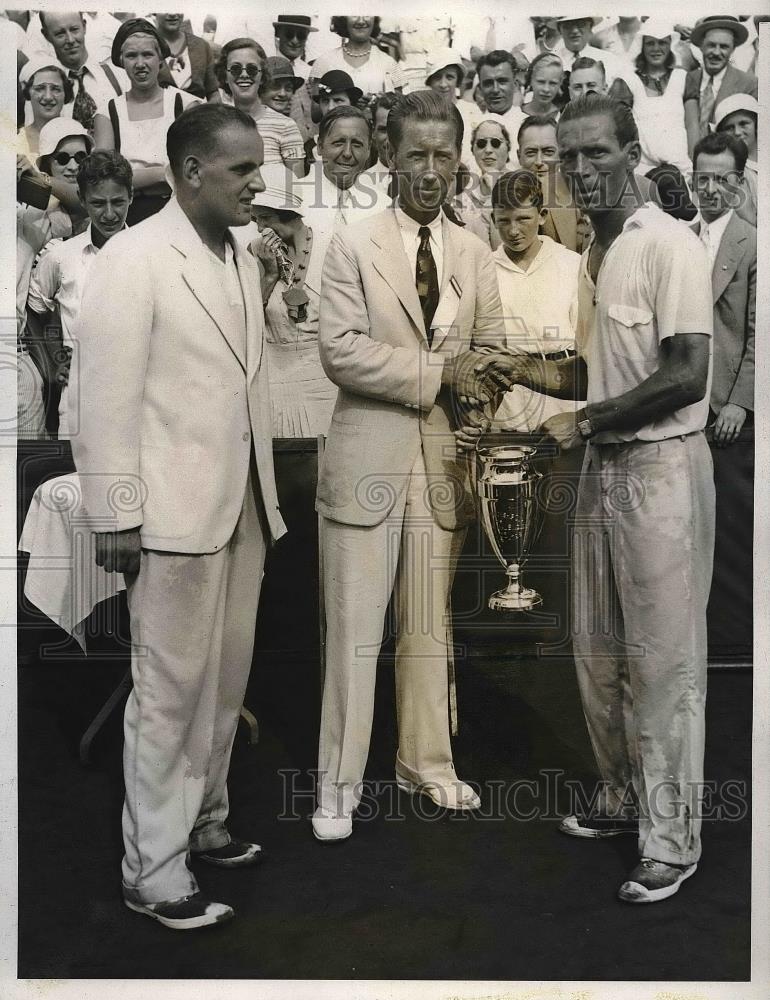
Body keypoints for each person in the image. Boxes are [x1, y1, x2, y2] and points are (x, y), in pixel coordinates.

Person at [480, 93, 715, 904]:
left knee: (663, 662)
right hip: (603, 470)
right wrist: (523, 371)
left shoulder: (669, 244)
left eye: (594, 154)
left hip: (660, 470)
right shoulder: (594, 251)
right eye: (564, 157)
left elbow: (687, 374)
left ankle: (671, 838)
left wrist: (584, 422)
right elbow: (592, 372)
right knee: (598, 651)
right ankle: (620, 799)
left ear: (632, 150)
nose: (578, 171)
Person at [70, 103, 285, 930]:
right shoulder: (131, 259)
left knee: (223, 686)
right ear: (192, 172)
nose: (257, 183)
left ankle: (205, 822)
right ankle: (152, 870)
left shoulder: (241, 256)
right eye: (242, 170)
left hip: (242, 508)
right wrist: (117, 515)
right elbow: (103, 401)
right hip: (168, 517)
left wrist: (264, 493)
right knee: (166, 694)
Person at [312, 90, 506, 842]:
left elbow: (489, 352)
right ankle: (336, 784)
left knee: (428, 625)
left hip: (440, 462)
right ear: (389, 159)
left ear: (461, 162)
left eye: (444, 156)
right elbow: (341, 351)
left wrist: (474, 396)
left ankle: (427, 762)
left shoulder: (474, 252)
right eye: (416, 155)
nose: (431, 171)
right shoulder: (352, 244)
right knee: (354, 630)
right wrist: (438, 377)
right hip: (365, 458)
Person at [26, 151, 133, 442]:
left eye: (118, 202)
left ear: (131, 197)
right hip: (78, 400)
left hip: (138, 398)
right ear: (83, 201)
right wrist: (54, 361)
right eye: (98, 203)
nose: (109, 214)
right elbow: (35, 310)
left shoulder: (150, 254)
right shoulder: (61, 256)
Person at [489, 169, 583, 433]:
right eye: (504, 221)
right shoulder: (485, 270)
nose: (513, 230)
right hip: (510, 397)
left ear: (541, 216)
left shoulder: (570, 263)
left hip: (562, 387)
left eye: (523, 219)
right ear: (492, 219)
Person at [248, 178, 338, 438]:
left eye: (266, 218)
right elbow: (246, 323)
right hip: (274, 383)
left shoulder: (331, 248)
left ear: (289, 214)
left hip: (324, 384)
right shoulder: (255, 252)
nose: (261, 228)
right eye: (256, 221)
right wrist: (268, 277)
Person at [92, 18, 201, 224]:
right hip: (127, 216)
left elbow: (194, 170)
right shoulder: (108, 113)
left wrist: (133, 176)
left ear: (160, 58)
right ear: (121, 60)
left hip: (179, 212)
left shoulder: (184, 105)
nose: (140, 64)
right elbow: (106, 179)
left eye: (148, 54)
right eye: (132, 56)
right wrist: (163, 174)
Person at [691, 131, 756, 449]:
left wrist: (741, 402)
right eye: (703, 179)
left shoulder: (755, 245)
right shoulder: (679, 240)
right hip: (682, 407)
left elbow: (762, 335)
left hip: (728, 411)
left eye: (722, 179)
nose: (711, 189)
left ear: (740, 182)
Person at [607, 20, 691, 179]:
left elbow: (692, 124)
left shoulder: (682, 77)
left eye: (662, 43)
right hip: (642, 170)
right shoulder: (628, 80)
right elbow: (617, 127)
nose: (656, 49)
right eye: (650, 43)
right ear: (642, 46)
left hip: (682, 168)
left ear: (670, 46)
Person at [214, 37, 305, 178]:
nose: (244, 75)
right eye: (235, 69)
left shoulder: (285, 126)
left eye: (252, 69)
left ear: (262, 76)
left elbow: (298, 187)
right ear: (225, 76)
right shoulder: (216, 125)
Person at [38, 11, 127, 133]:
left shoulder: (116, 75)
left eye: (74, 29)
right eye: (60, 34)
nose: (70, 40)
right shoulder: (43, 89)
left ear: (84, 26)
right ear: (46, 35)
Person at [517, 115, 591, 255]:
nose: (539, 161)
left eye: (548, 152)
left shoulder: (577, 194)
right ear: (518, 156)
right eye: (531, 152)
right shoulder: (505, 198)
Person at [683, 15, 757, 155]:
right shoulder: (688, 78)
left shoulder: (749, 84)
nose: (716, 52)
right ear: (701, 46)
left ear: (733, 49)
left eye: (724, 47)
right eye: (711, 45)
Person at [310, 17, 405, 98]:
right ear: (343, 18)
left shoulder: (389, 63)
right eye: (354, 15)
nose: (361, 21)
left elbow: (399, 110)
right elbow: (315, 114)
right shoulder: (325, 61)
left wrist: (378, 103)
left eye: (367, 14)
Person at [453, 118, 512, 247]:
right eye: (481, 144)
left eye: (496, 143)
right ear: (473, 150)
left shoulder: (521, 186)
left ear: (508, 148)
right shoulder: (462, 197)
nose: (488, 150)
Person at [154, 12, 220, 101]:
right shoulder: (146, 45)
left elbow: (213, 92)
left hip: (197, 113)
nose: (173, 14)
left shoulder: (201, 45)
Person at [714, 93, 758, 226]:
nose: (737, 132)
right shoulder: (733, 170)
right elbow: (750, 221)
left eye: (744, 124)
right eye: (729, 128)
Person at [17, 56, 73, 157]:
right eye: (40, 88)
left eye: (55, 89)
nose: (48, 97)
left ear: (65, 93)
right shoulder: (16, 139)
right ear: (28, 92)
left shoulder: (77, 136)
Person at [553, 16, 622, 83]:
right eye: (568, 25)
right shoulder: (551, 61)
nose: (574, 30)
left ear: (590, 27)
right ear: (559, 30)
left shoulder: (609, 60)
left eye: (581, 24)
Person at [475, 50, 526, 140]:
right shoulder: (472, 128)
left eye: (502, 81)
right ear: (480, 88)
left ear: (515, 85)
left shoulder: (528, 126)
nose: (495, 89)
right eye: (488, 83)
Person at [520, 52, 564, 118]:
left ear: (560, 83)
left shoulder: (563, 117)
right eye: (541, 82)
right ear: (531, 80)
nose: (546, 89)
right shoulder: (517, 114)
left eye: (552, 83)